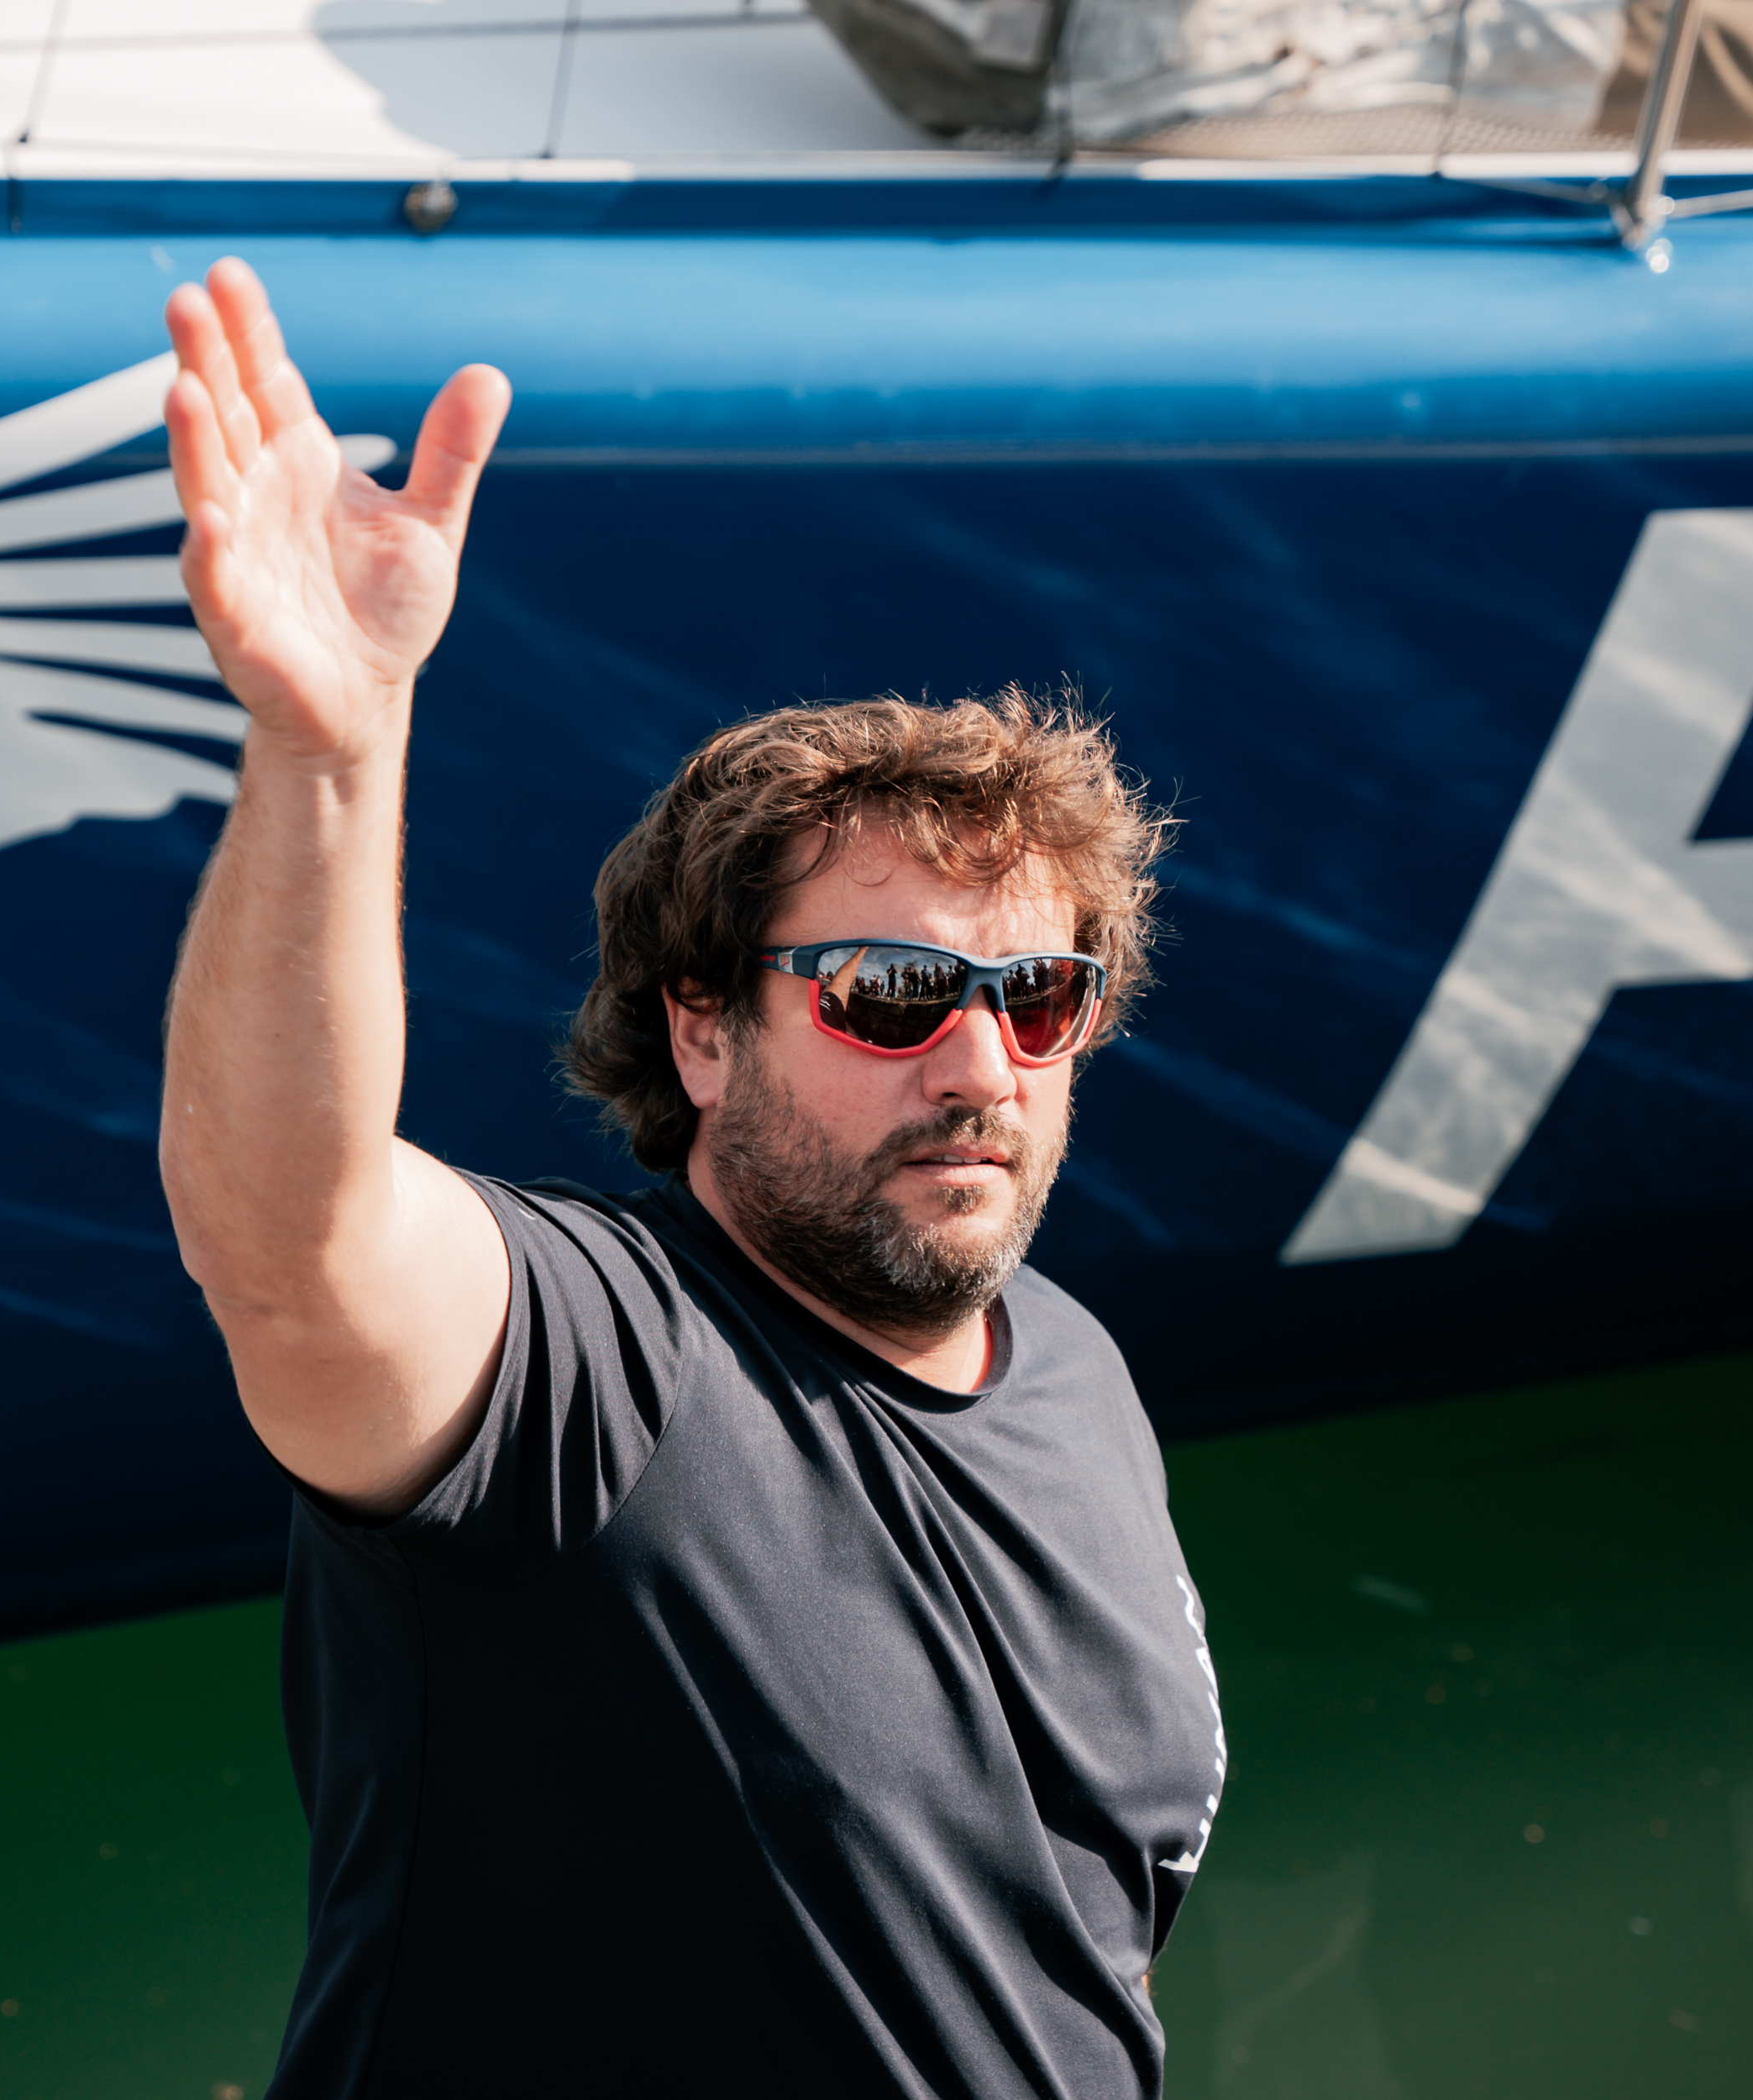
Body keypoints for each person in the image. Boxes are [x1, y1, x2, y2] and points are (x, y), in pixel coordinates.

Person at [157, 259, 1222, 2098]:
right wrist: (329, 752)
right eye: (893, 994)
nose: (981, 1062)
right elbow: (295, 1243)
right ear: (706, 1029)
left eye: (1037, 994)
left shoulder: (1072, 1366)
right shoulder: (595, 1377)